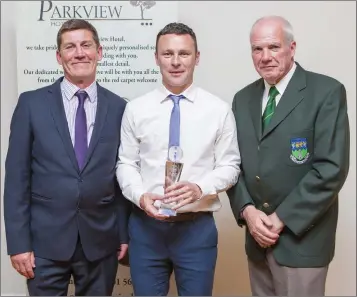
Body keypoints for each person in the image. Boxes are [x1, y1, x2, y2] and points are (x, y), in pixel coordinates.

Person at [3, 19, 131, 296]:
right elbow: (16, 180)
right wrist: (18, 243)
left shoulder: (120, 107)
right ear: (59, 57)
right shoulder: (31, 104)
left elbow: (121, 177)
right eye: (70, 47)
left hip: (101, 241)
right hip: (44, 244)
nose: (79, 53)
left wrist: (122, 233)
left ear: (100, 52)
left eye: (86, 45)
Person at [227, 15, 350, 296]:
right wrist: (248, 211)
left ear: (292, 48)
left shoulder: (326, 92)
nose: (265, 56)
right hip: (257, 240)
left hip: (302, 241)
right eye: (257, 49)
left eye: (273, 47)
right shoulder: (242, 99)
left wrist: (280, 217)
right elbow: (232, 164)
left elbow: (331, 168)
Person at [116, 22, 241, 296]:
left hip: (196, 230)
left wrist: (201, 188)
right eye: (167, 53)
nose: (175, 62)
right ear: (156, 57)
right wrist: (140, 196)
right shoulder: (136, 110)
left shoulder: (218, 110)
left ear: (197, 58)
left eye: (183, 54)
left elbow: (230, 165)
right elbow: (125, 163)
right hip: (145, 229)